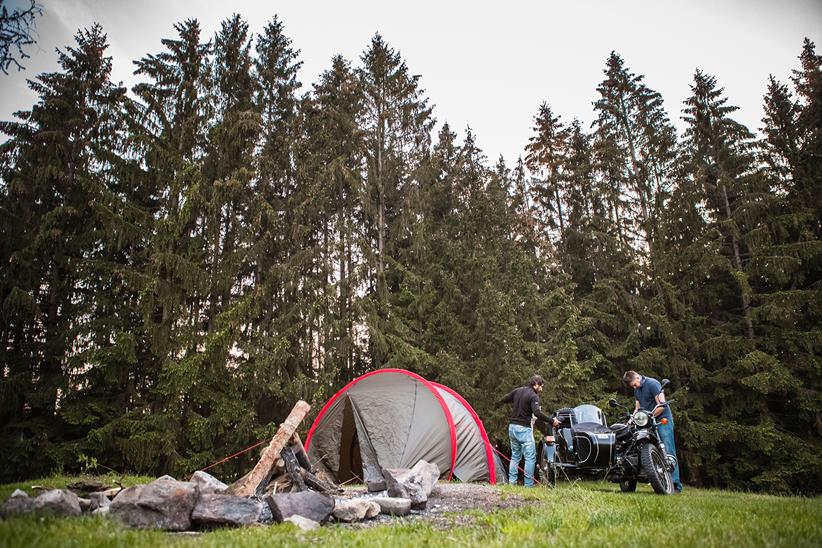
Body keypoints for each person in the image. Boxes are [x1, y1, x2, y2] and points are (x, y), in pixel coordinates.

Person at [622, 370, 683, 493]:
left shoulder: (653, 384)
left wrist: (648, 416)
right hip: (647, 421)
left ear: (637, 377)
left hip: (662, 420)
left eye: (634, 384)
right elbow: (637, 408)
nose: (635, 387)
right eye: (633, 386)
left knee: (668, 450)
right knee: (643, 447)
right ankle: (657, 479)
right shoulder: (637, 390)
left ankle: (676, 485)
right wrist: (631, 421)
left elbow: (661, 405)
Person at [498, 375, 560, 486]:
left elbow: (504, 399)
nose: (541, 388)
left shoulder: (518, 391)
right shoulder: (533, 396)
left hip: (512, 427)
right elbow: (537, 413)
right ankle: (528, 484)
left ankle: (512, 483)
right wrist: (551, 421)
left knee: (515, 456)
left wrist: (517, 405)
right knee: (530, 457)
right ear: (535, 384)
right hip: (523, 429)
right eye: (541, 386)